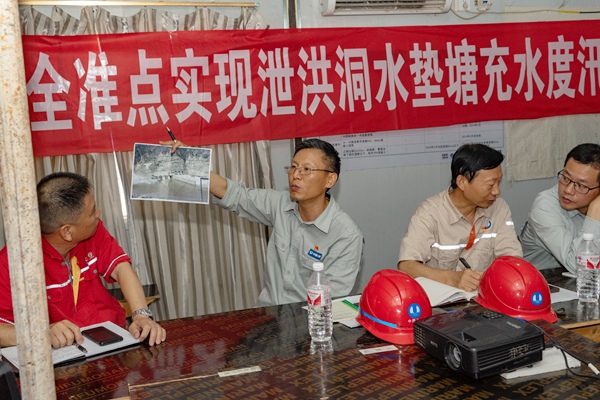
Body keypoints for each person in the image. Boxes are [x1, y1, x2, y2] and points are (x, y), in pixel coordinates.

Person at [161, 138, 364, 306]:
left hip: (311, 324)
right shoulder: (280, 204)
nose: (296, 175)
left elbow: (330, 302)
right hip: (269, 318)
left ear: (330, 180)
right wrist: (193, 164)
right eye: (293, 167)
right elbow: (234, 194)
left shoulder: (346, 235)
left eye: (306, 169)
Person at [0, 172, 166, 348]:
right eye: (92, 211)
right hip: (65, 352)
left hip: (114, 337)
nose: (99, 213)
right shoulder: (13, 264)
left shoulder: (92, 232)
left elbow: (121, 268)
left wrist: (141, 314)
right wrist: (41, 333)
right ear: (67, 232)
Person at [398, 143, 522, 292]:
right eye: (490, 185)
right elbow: (407, 266)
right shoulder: (430, 213)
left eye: (499, 182)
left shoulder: (498, 208)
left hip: (484, 297)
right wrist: (452, 278)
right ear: (462, 182)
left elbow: (512, 260)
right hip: (440, 299)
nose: (497, 191)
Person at [521, 143, 600, 273]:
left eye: (581, 185)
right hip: (541, 279)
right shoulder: (545, 206)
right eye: (566, 178)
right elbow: (578, 265)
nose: (568, 190)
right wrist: (594, 214)